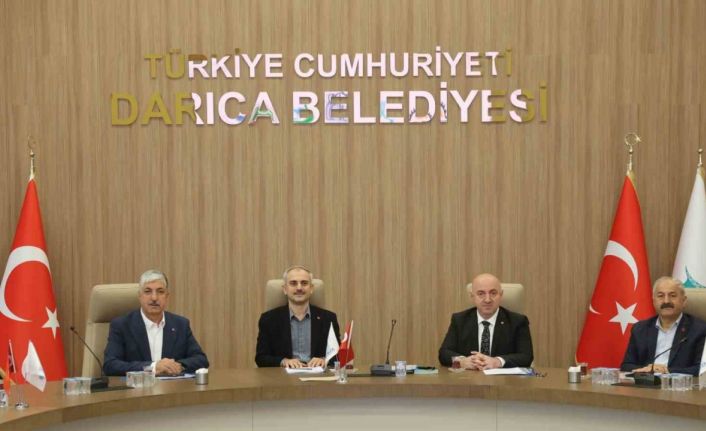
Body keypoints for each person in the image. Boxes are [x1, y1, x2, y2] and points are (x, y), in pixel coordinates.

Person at [103, 269, 209, 376]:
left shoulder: (180, 325)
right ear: (139, 296)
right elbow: (110, 365)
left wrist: (178, 366)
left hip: (171, 386)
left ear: (167, 296)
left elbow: (201, 359)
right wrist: (153, 367)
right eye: (148, 291)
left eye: (160, 292)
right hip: (138, 386)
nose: (154, 298)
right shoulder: (122, 325)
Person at [438, 273, 533, 369]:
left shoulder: (517, 321)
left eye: (493, 293)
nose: (487, 300)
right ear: (472, 296)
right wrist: (462, 361)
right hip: (468, 377)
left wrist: (498, 361)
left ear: (501, 295)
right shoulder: (460, 320)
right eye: (481, 294)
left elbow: (526, 357)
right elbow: (444, 353)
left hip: (502, 377)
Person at [256, 265, 340, 368]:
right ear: (285, 289)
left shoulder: (328, 319)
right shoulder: (269, 320)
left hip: (317, 375)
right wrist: (283, 361)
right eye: (293, 283)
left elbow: (339, 355)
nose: (299, 288)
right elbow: (261, 358)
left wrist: (324, 359)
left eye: (304, 283)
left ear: (311, 288)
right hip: (283, 376)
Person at [621, 276, 706, 376]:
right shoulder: (640, 329)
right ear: (653, 301)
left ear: (684, 301)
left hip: (678, 384)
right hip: (645, 383)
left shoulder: (699, 329)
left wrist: (667, 371)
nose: (666, 301)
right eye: (660, 296)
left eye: (672, 296)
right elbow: (626, 366)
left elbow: (701, 369)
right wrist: (647, 369)